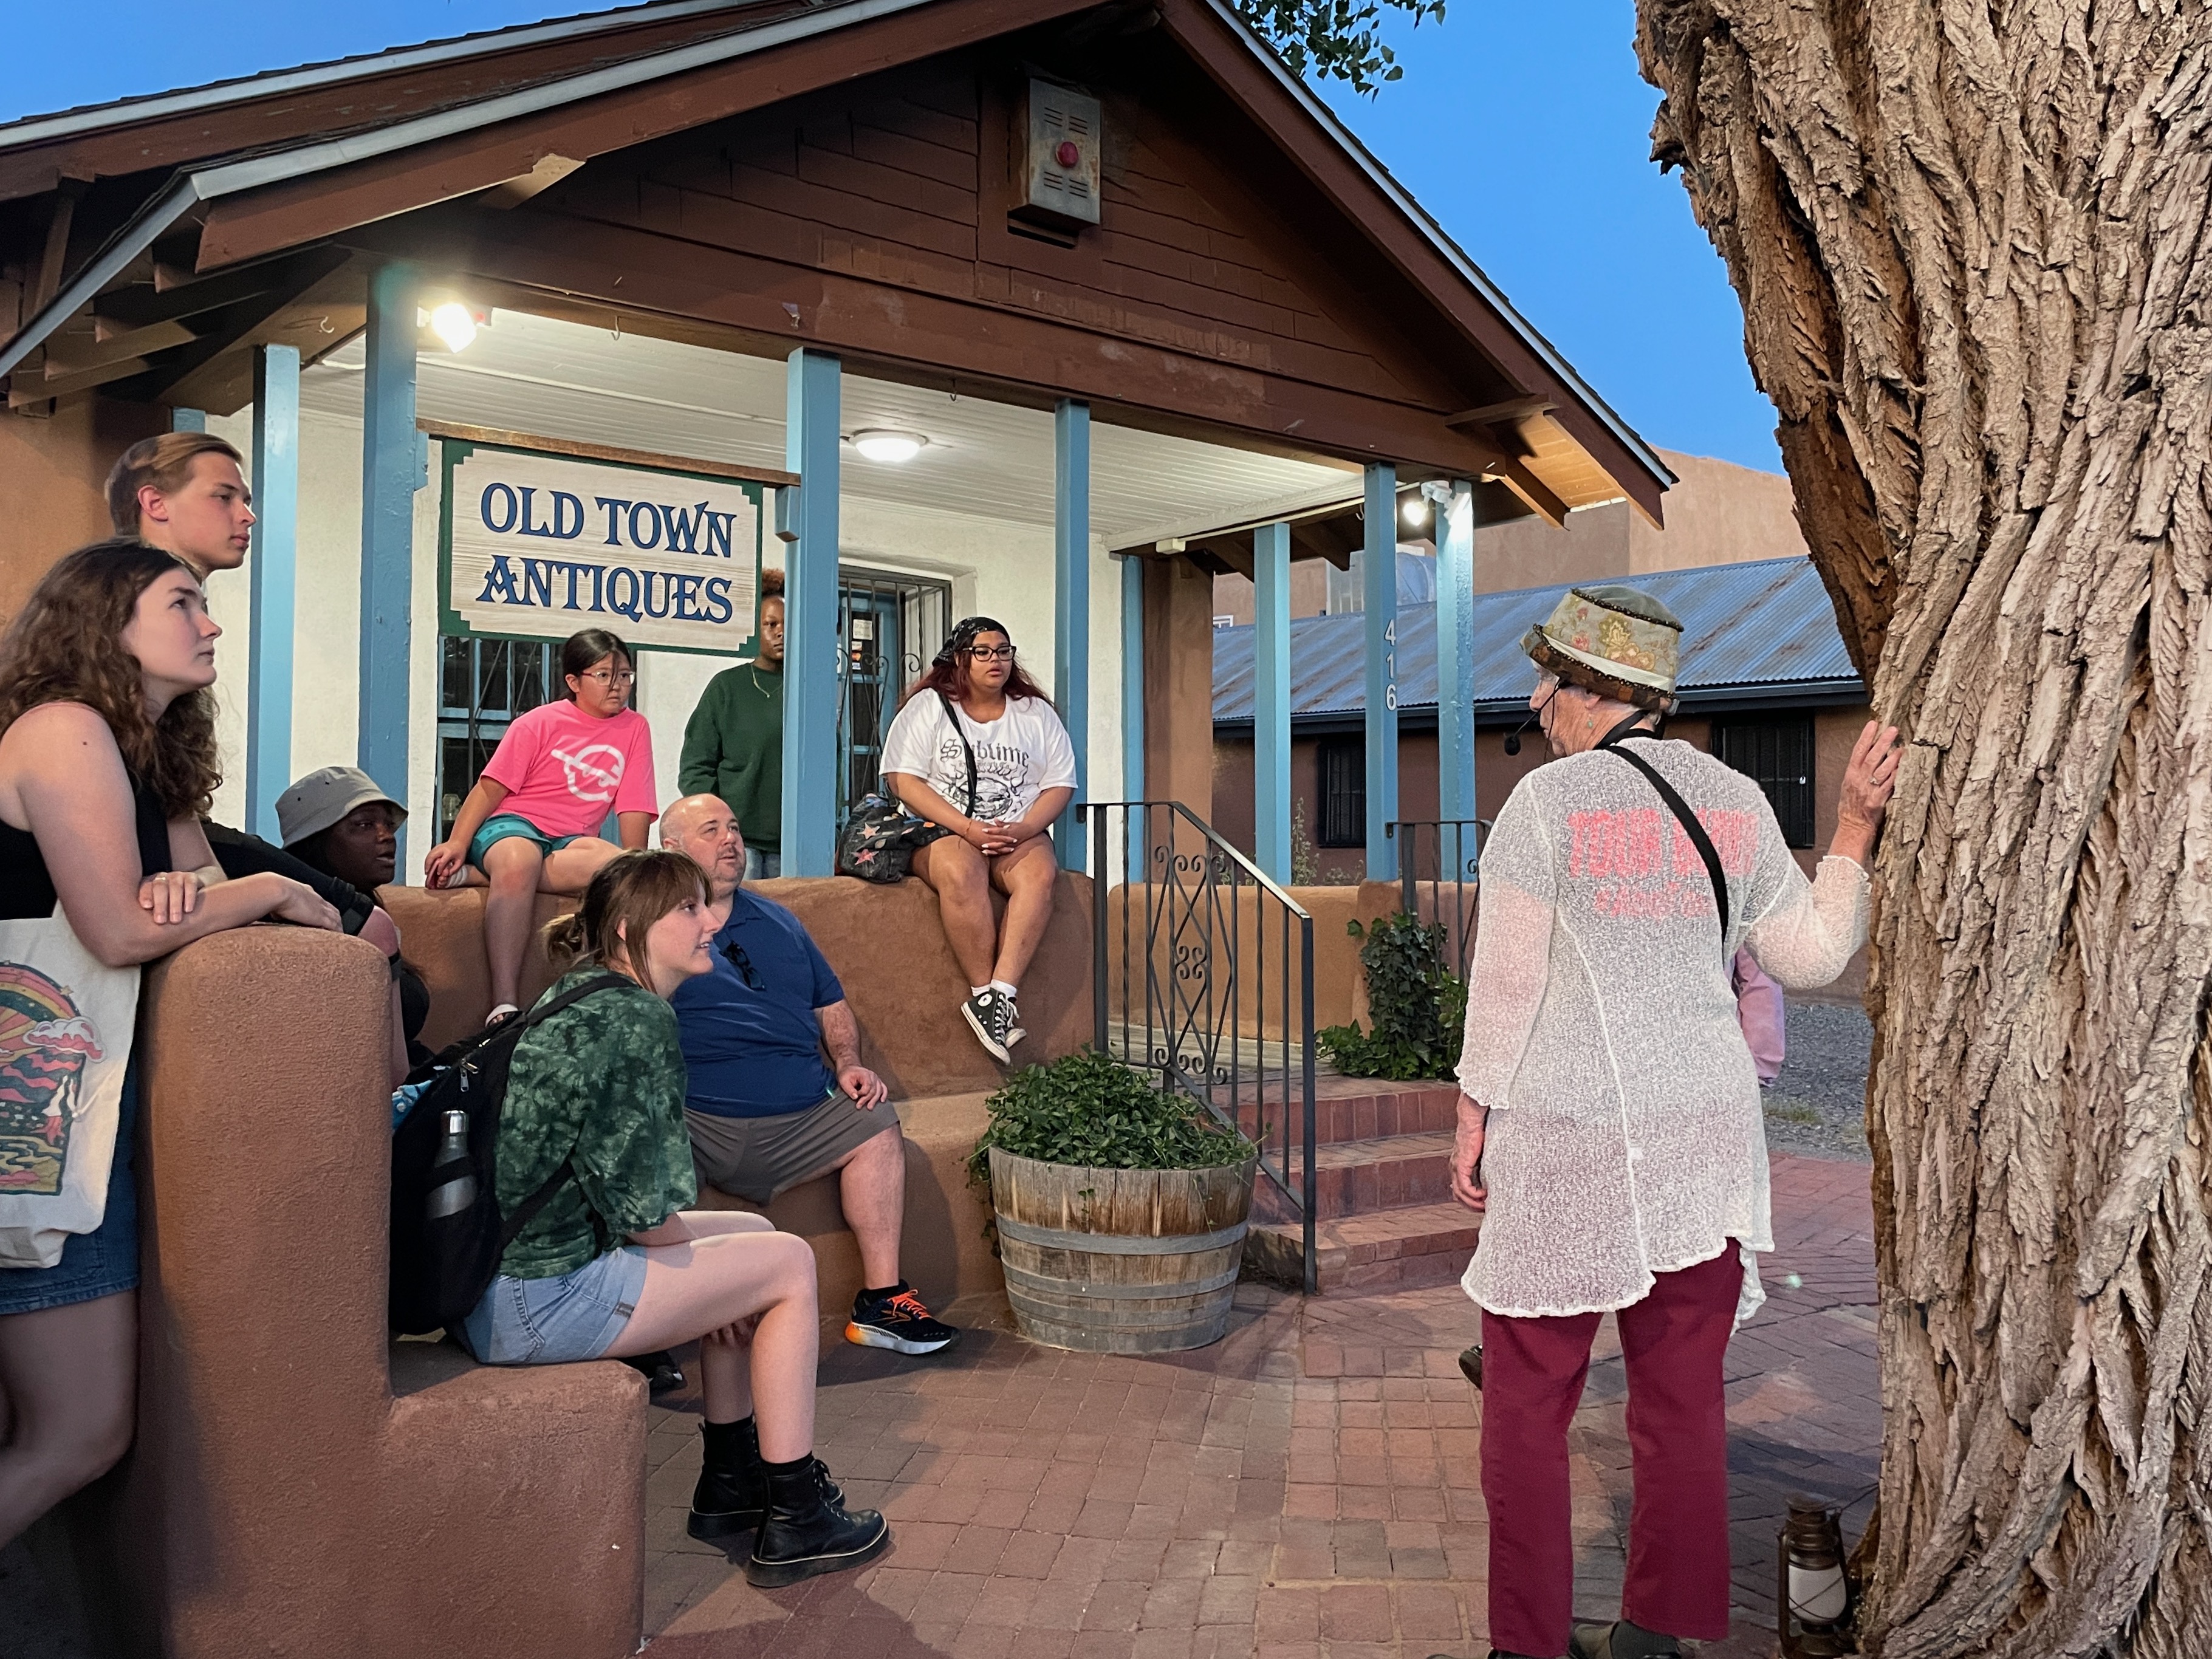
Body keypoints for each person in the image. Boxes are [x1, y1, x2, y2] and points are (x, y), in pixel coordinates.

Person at [1447, 584, 1899, 1659]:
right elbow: (1811, 958)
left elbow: (1503, 988)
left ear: (1584, 690)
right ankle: (1660, 1630)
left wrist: (1471, 1114)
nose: (1537, 702)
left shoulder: (1546, 806)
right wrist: (1850, 829)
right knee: (1682, 1404)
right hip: (1704, 1140)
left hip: (1569, 1141)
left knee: (1523, 1407)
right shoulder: (1736, 799)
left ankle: (1526, 1646)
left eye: (1545, 682)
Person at [0, 540, 342, 1550]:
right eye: (183, 601)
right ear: (107, 621)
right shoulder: (62, 731)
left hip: (80, 1122)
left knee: (70, 1426)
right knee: (79, 1430)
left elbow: (193, 909)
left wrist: (208, 898)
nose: (212, 622)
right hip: (40, 1125)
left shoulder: (143, 756)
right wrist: (275, 884)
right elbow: (121, 929)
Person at [459, 847, 888, 1586]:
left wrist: (716, 1279)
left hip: (506, 1285)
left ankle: (729, 1480)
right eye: (686, 910)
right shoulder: (635, 1020)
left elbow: (632, 1206)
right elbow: (648, 1215)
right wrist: (715, 1281)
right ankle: (795, 1516)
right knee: (786, 1266)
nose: (709, 923)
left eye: (706, 905)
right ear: (629, 932)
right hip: (536, 1300)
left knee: (757, 1241)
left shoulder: (585, 991)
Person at [107, 433, 414, 1083]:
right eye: (225, 497)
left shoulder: (177, 681)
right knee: (375, 932)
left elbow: (174, 818)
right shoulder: (99, 642)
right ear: (153, 503)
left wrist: (189, 877)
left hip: (160, 857)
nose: (247, 515)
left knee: (381, 949)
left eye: (247, 499)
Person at [659, 793, 959, 1356]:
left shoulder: (780, 920)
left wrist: (849, 1063)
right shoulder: (653, 926)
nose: (730, 839)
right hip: (699, 1118)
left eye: (734, 826)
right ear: (671, 849)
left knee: (875, 1122)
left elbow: (831, 1004)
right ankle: (658, 1322)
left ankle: (882, 1303)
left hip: (802, 1116)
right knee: (647, 1136)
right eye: (710, 830)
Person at [422, 629, 656, 1023]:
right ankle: (504, 1000)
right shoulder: (538, 723)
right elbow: (489, 789)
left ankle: (480, 877)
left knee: (615, 868)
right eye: (604, 676)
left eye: (625, 676)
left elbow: (634, 805)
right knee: (518, 859)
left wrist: (636, 869)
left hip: (572, 839)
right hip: (513, 827)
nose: (617, 687)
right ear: (573, 681)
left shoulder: (635, 728)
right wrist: (457, 842)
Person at [881, 617, 1075, 1063]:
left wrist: (1027, 829)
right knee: (959, 869)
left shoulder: (1034, 713)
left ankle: (998, 996)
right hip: (945, 829)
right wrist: (966, 827)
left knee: (1040, 874)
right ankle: (982, 991)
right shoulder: (929, 706)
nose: (996, 660)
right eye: (983, 651)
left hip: (1015, 830)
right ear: (960, 659)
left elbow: (1060, 783)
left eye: (1003, 651)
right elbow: (904, 780)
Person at [278, 765, 432, 1070]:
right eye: (364, 825)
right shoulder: (302, 933)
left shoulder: (367, 914)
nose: (386, 836)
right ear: (316, 843)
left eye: (388, 824)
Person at [679, 570, 785, 880]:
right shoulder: (726, 688)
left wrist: (826, 826)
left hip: (793, 842)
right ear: (754, 629)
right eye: (771, 625)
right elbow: (696, 765)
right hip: (737, 842)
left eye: (786, 624)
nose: (780, 632)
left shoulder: (806, 691)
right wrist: (715, 825)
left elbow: (829, 766)